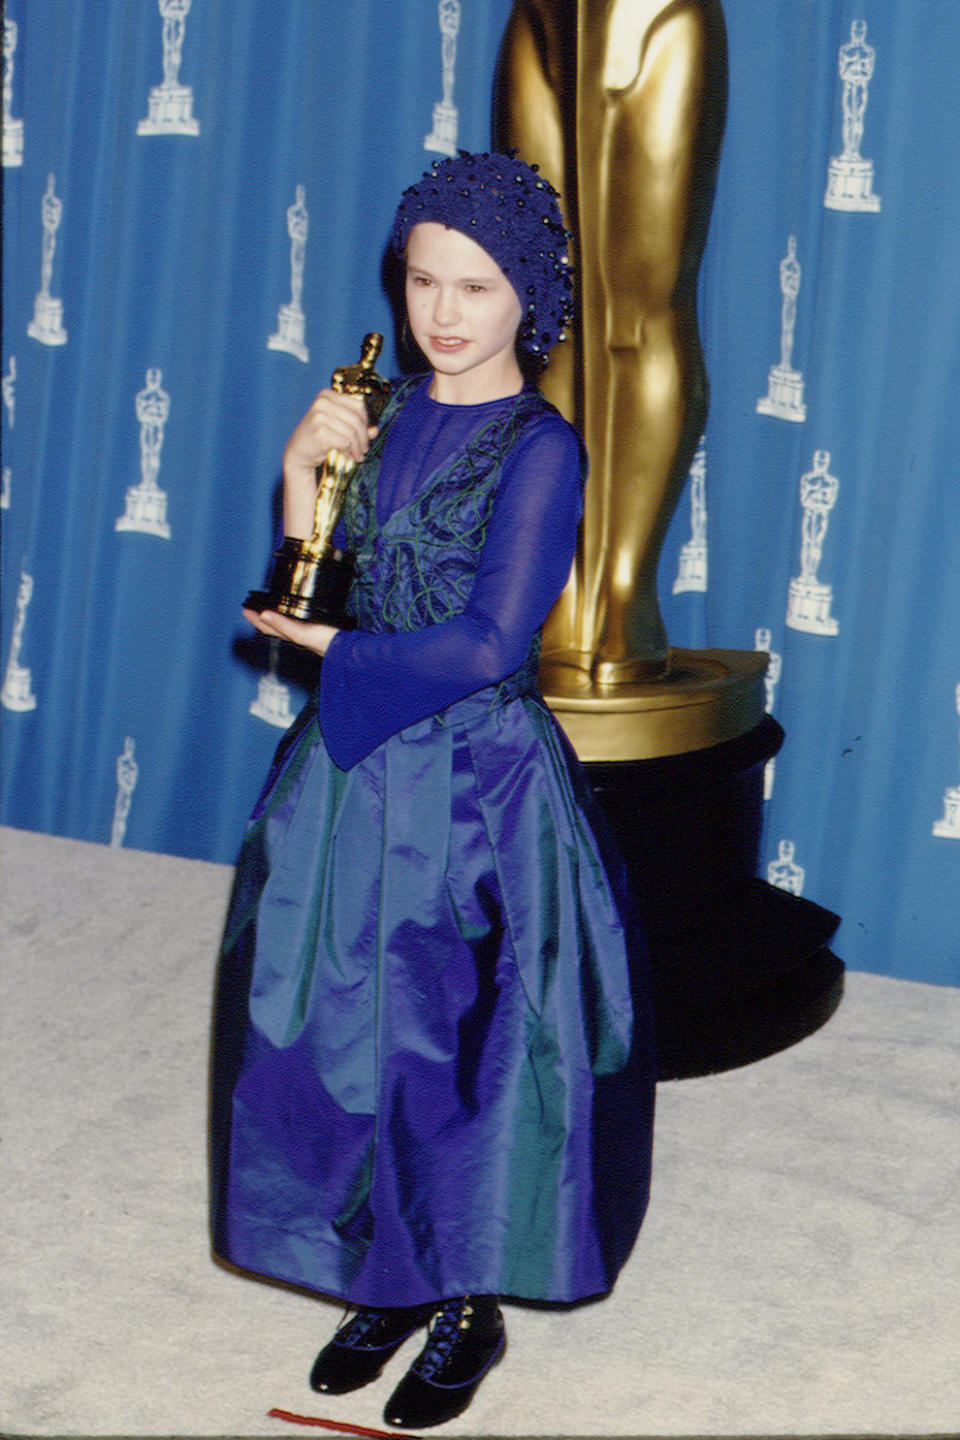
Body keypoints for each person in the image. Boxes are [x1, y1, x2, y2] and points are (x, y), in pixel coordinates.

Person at [211, 150, 656, 1431]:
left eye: (478, 285)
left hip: (478, 790)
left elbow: (489, 645)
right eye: (423, 280)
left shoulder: (542, 448)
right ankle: (390, 1275)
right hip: (355, 776)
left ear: (531, 299)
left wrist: (332, 655)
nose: (445, 314)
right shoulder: (386, 413)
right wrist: (305, 472)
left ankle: (467, 1296)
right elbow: (315, 580)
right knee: (347, 1034)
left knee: (469, 1047)